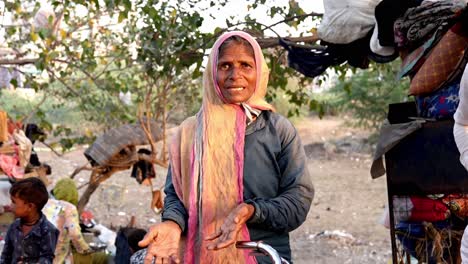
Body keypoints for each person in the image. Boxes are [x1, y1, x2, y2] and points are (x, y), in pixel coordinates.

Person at [136, 30, 314, 264]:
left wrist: (251, 211)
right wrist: (172, 223)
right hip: (199, 252)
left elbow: (298, 201)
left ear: (259, 72)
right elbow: (176, 197)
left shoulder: (278, 130)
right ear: (212, 73)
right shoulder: (189, 132)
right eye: (225, 66)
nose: (235, 75)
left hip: (260, 254)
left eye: (245, 65)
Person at [0, 177, 59, 263]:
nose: (10, 205)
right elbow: (6, 255)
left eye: (14, 202)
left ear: (30, 206)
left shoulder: (48, 230)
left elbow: (47, 258)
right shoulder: (14, 226)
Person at [42, 178, 94, 264]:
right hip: (54, 254)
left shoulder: (45, 203)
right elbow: (74, 233)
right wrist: (84, 249)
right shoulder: (70, 208)